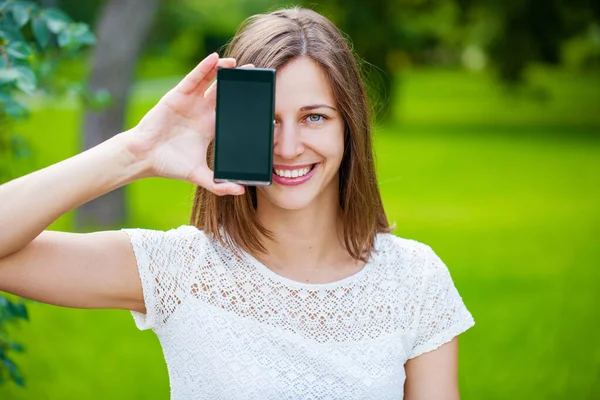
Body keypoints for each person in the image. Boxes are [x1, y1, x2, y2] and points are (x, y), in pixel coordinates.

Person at [0, 7, 474, 400]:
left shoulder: (415, 281)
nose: (288, 147)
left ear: (348, 127)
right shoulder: (180, 270)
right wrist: (136, 151)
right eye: (267, 120)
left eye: (314, 117)